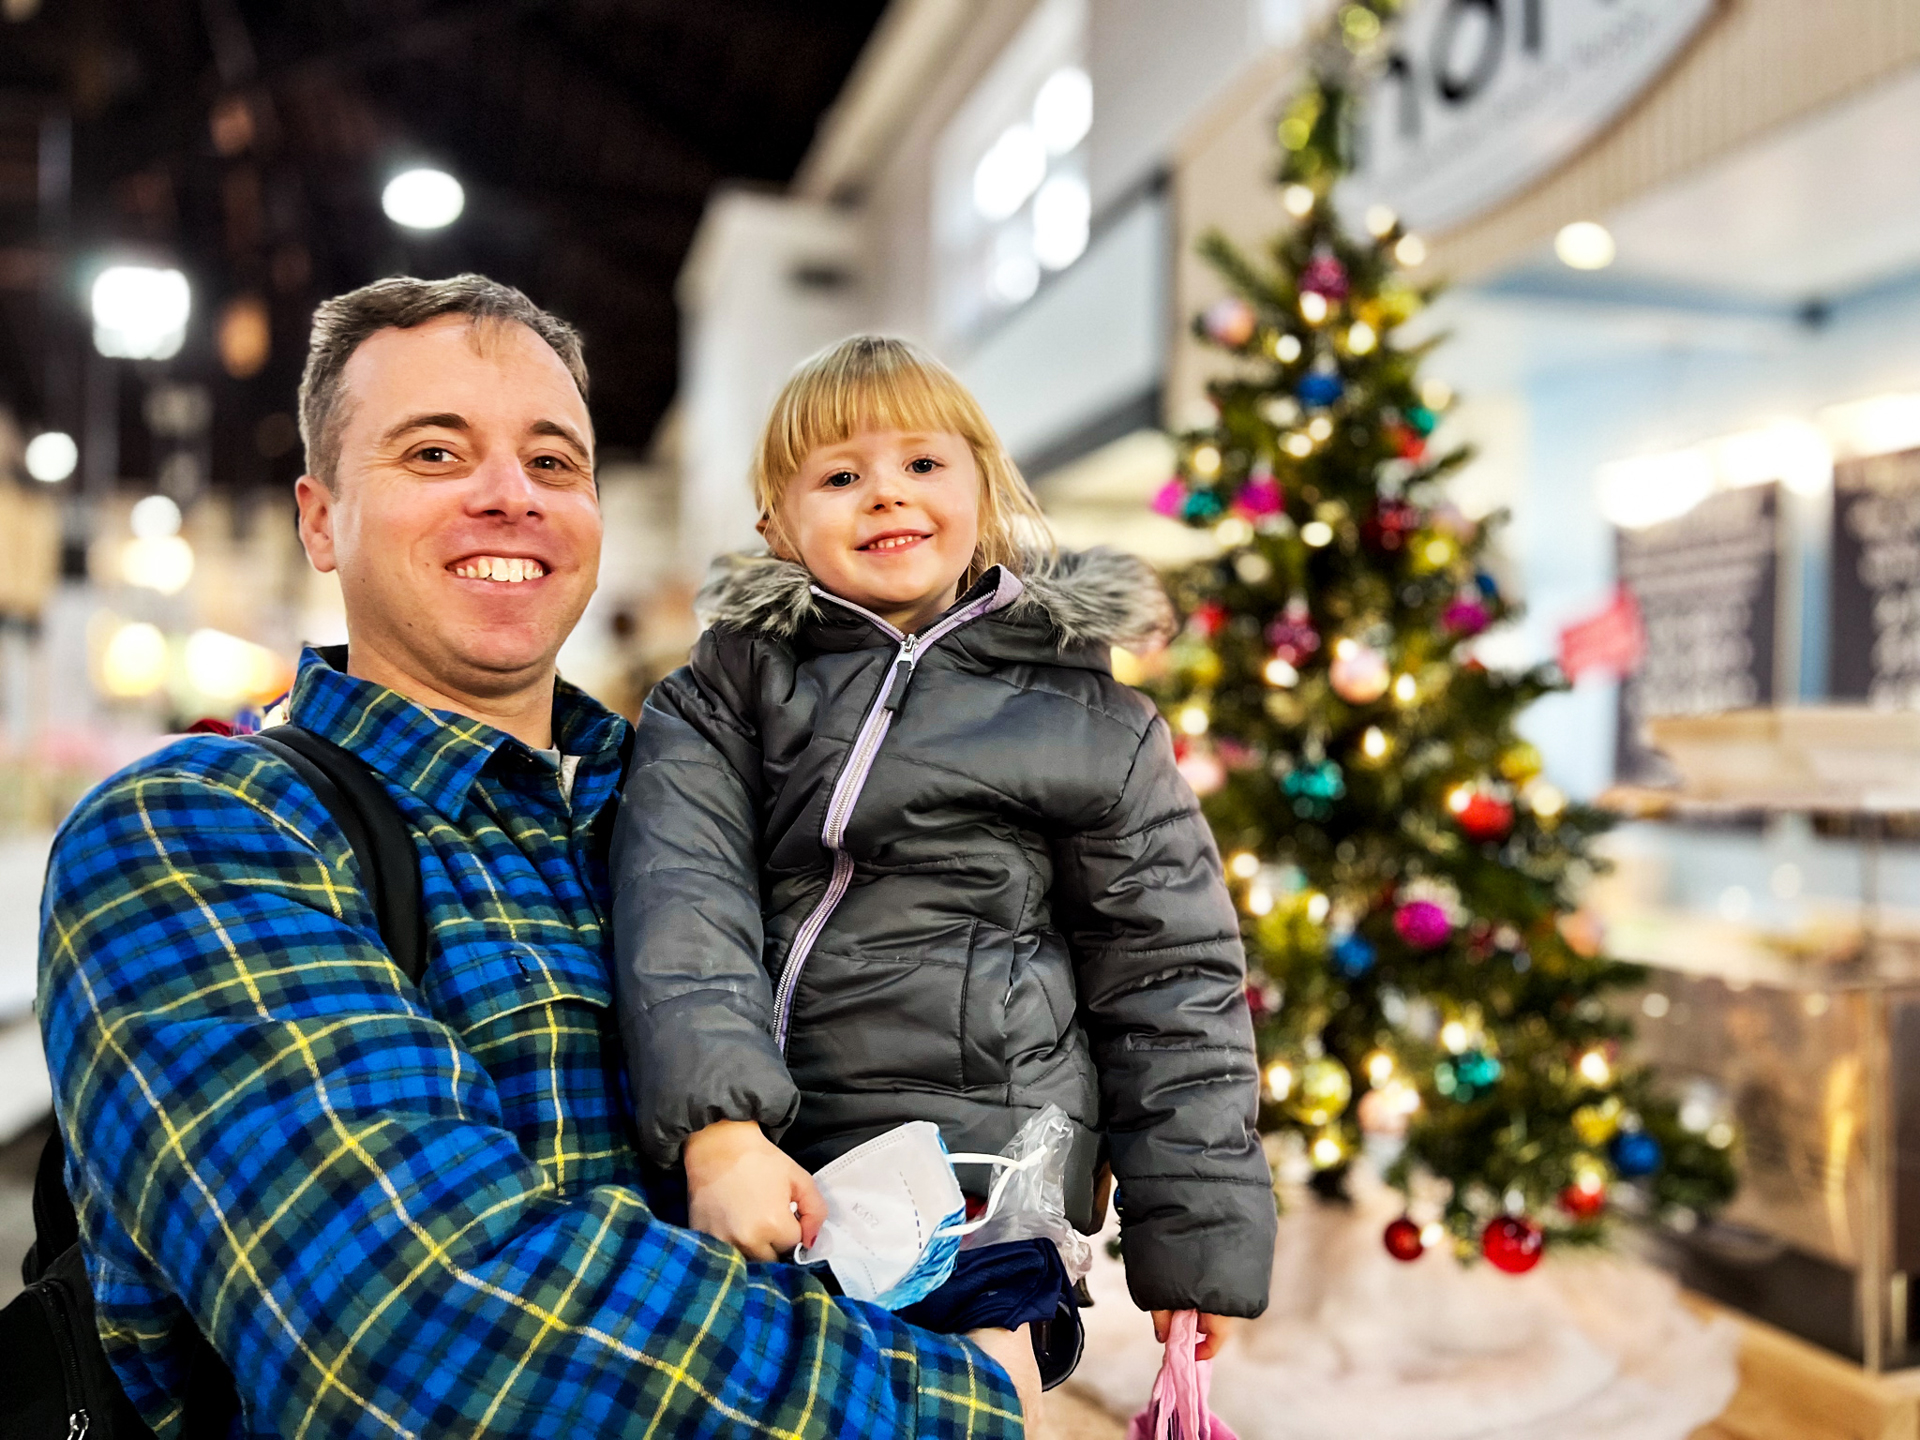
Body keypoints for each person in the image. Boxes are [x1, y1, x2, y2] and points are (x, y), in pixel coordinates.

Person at [37, 277, 1032, 1436]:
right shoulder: (199, 832)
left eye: (555, 464)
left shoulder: (728, 810)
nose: (511, 495)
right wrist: (967, 1401)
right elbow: (423, 1327)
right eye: (434, 453)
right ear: (320, 517)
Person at [612, 336, 1278, 1414]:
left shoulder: (1091, 720)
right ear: (776, 525)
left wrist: (1196, 1236)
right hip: (787, 1160)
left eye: (922, 465)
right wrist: (722, 1131)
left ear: (985, 487)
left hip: (991, 1175)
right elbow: (682, 903)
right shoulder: (721, 699)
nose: (887, 494)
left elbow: (1171, 976)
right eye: (839, 475)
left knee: (967, 1395)